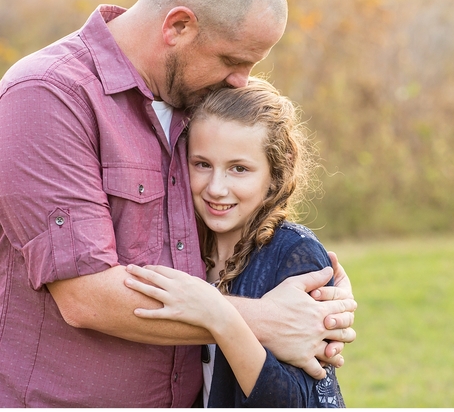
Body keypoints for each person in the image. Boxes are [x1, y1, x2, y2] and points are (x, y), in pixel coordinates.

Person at [0, 0, 356, 408]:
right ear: (178, 26)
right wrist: (266, 320)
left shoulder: (197, 104)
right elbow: (86, 296)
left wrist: (321, 298)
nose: (242, 81)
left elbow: (238, 227)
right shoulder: (47, 96)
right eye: (233, 61)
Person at [125, 78, 345, 407]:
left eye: (239, 169)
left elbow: (289, 402)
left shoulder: (295, 255)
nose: (216, 188)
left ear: (276, 174)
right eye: (202, 164)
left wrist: (218, 315)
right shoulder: (184, 247)